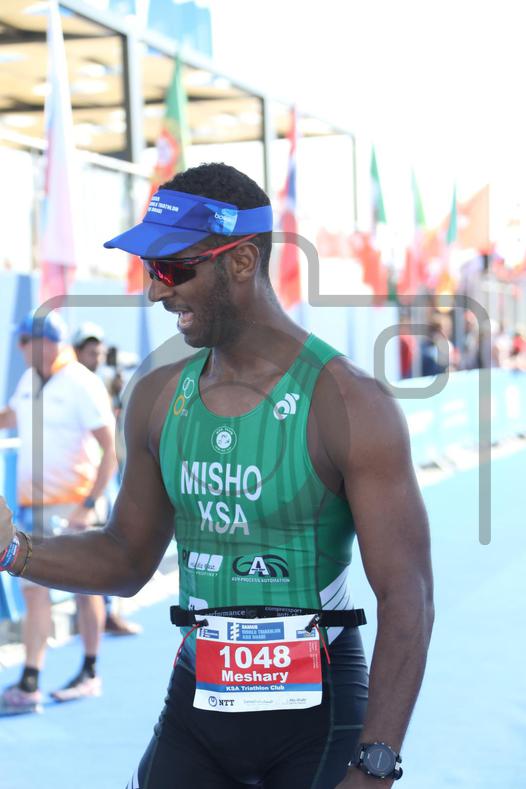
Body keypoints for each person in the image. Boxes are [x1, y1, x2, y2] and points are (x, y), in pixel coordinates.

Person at [0, 164, 434, 787]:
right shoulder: (156, 397)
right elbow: (126, 558)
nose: (156, 291)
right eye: (149, 268)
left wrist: (376, 765)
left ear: (241, 261)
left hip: (320, 717)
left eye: (172, 268)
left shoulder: (349, 402)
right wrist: (14, 551)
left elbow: (408, 594)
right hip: (198, 708)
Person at [0, 311, 116, 712]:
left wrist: (87, 506)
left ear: (46, 342)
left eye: (24, 341)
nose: (20, 349)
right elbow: (9, 417)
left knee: (87, 589)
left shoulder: (82, 383)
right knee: (33, 591)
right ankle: (30, 680)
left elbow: (110, 450)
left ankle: (90, 671)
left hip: (75, 506)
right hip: (32, 508)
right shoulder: (28, 381)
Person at [72, 322, 142, 637]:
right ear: (77, 352)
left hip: (107, 475)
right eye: (91, 352)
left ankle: (107, 611)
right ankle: (93, 614)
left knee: (111, 543)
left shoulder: (102, 383)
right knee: (91, 548)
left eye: (99, 352)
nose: (97, 358)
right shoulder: (74, 385)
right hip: (83, 481)